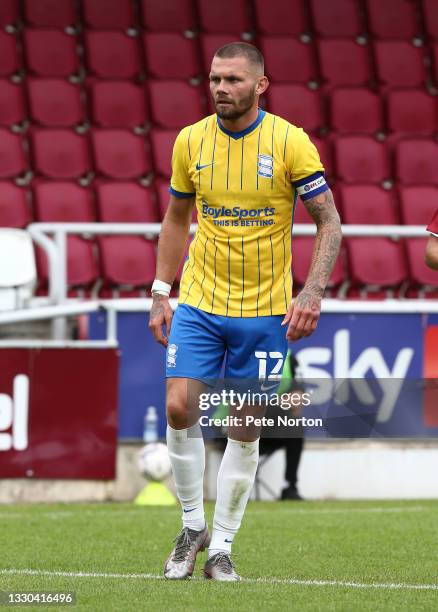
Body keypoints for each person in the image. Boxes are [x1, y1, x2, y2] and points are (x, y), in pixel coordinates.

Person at [149, 42, 342, 581]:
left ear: (261, 84)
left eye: (232, 80)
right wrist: (161, 291)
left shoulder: (289, 143)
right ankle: (192, 527)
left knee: (244, 426)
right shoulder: (191, 141)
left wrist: (312, 292)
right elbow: (175, 219)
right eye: (214, 79)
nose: (220, 89)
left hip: (265, 311)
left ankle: (222, 548)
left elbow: (330, 222)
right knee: (179, 406)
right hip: (202, 302)